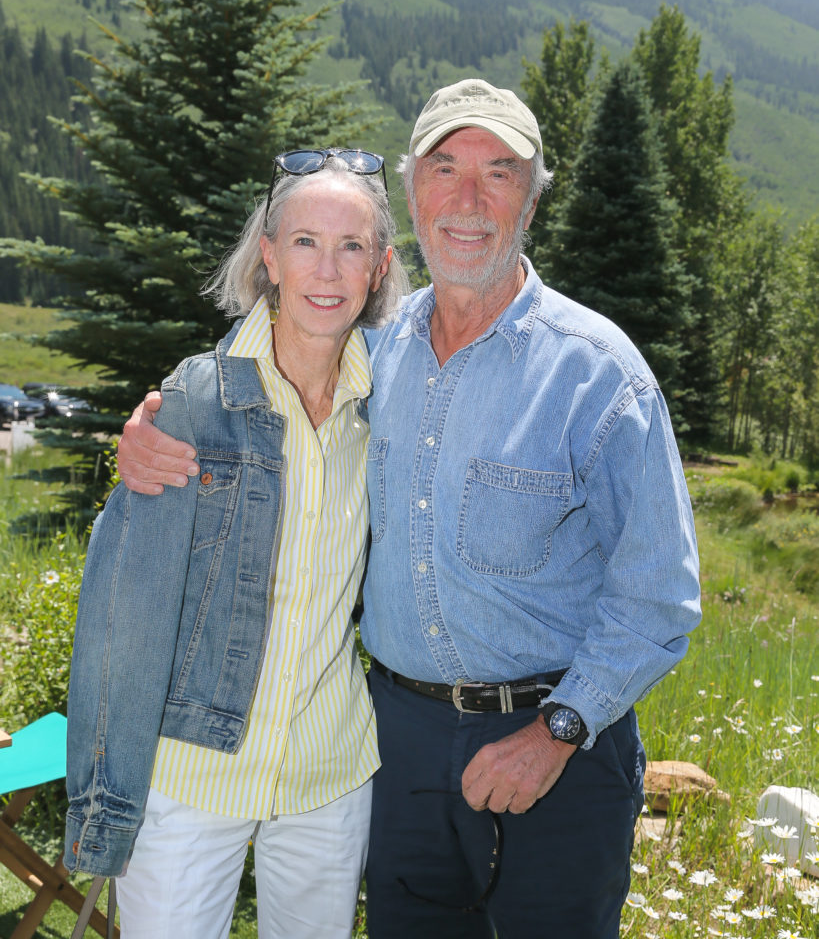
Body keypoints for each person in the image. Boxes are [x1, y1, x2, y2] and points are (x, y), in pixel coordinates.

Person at [116, 80, 702, 938]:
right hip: (398, 751)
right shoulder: (369, 358)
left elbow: (658, 596)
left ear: (532, 200)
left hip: (559, 747)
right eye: (444, 169)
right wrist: (152, 427)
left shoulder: (598, 373)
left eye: (499, 173)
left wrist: (558, 731)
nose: (467, 201)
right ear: (411, 193)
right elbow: (263, 395)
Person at [65, 151, 409, 939]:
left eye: (351, 246)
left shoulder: (387, 404)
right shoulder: (194, 402)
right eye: (303, 242)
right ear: (267, 256)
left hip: (330, 776)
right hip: (191, 775)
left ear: (380, 266)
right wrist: (106, 795)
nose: (327, 269)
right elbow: (124, 610)